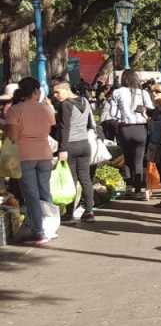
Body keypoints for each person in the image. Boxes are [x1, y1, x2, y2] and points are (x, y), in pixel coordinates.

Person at [7, 78, 57, 244]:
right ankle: (50, 225)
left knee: (31, 195)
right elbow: (50, 127)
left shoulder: (15, 110)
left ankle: (39, 231)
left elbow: (13, 137)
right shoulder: (46, 108)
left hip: (25, 155)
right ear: (36, 91)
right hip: (44, 153)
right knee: (45, 192)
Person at [52, 82, 96, 223]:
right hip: (84, 144)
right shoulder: (85, 101)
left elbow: (65, 128)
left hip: (70, 145)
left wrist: (62, 149)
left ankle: (69, 214)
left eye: (57, 92)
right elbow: (90, 123)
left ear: (66, 90)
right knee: (85, 178)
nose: (55, 95)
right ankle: (89, 211)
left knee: (71, 180)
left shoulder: (66, 105)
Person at [111, 70, 154, 200]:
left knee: (127, 158)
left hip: (125, 128)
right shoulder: (143, 93)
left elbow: (114, 112)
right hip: (140, 128)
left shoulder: (117, 92)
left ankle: (128, 186)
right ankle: (138, 188)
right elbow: (151, 108)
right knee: (139, 159)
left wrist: (123, 114)